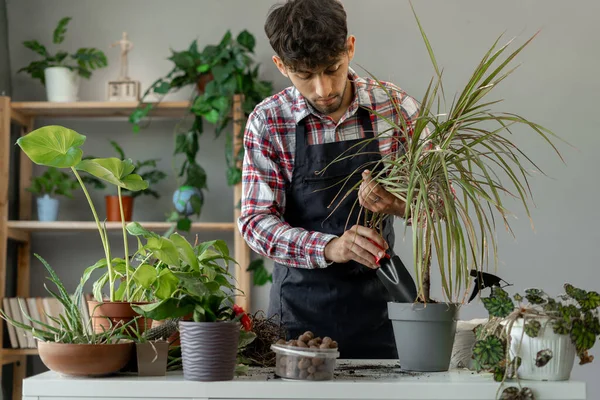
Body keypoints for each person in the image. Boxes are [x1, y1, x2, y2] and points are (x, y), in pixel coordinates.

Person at [237, 0, 423, 359]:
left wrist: (398, 204)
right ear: (282, 66)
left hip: (382, 311)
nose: (323, 89)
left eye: (332, 69)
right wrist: (329, 248)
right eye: (305, 75)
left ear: (350, 48)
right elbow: (256, 222)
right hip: (297, 322)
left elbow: (442, 204)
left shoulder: (395, 109)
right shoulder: (269, 121)